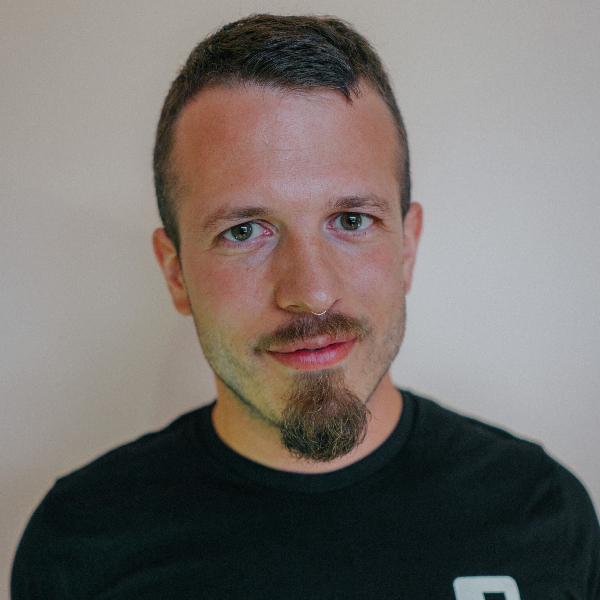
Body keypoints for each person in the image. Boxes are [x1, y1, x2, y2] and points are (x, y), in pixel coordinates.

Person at [12, 14, 600, 599]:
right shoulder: (79, 545)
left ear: (406, 247)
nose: (313, 292)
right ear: (176, 272)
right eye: (245, 231)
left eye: (352, 220)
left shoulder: (541, 511)